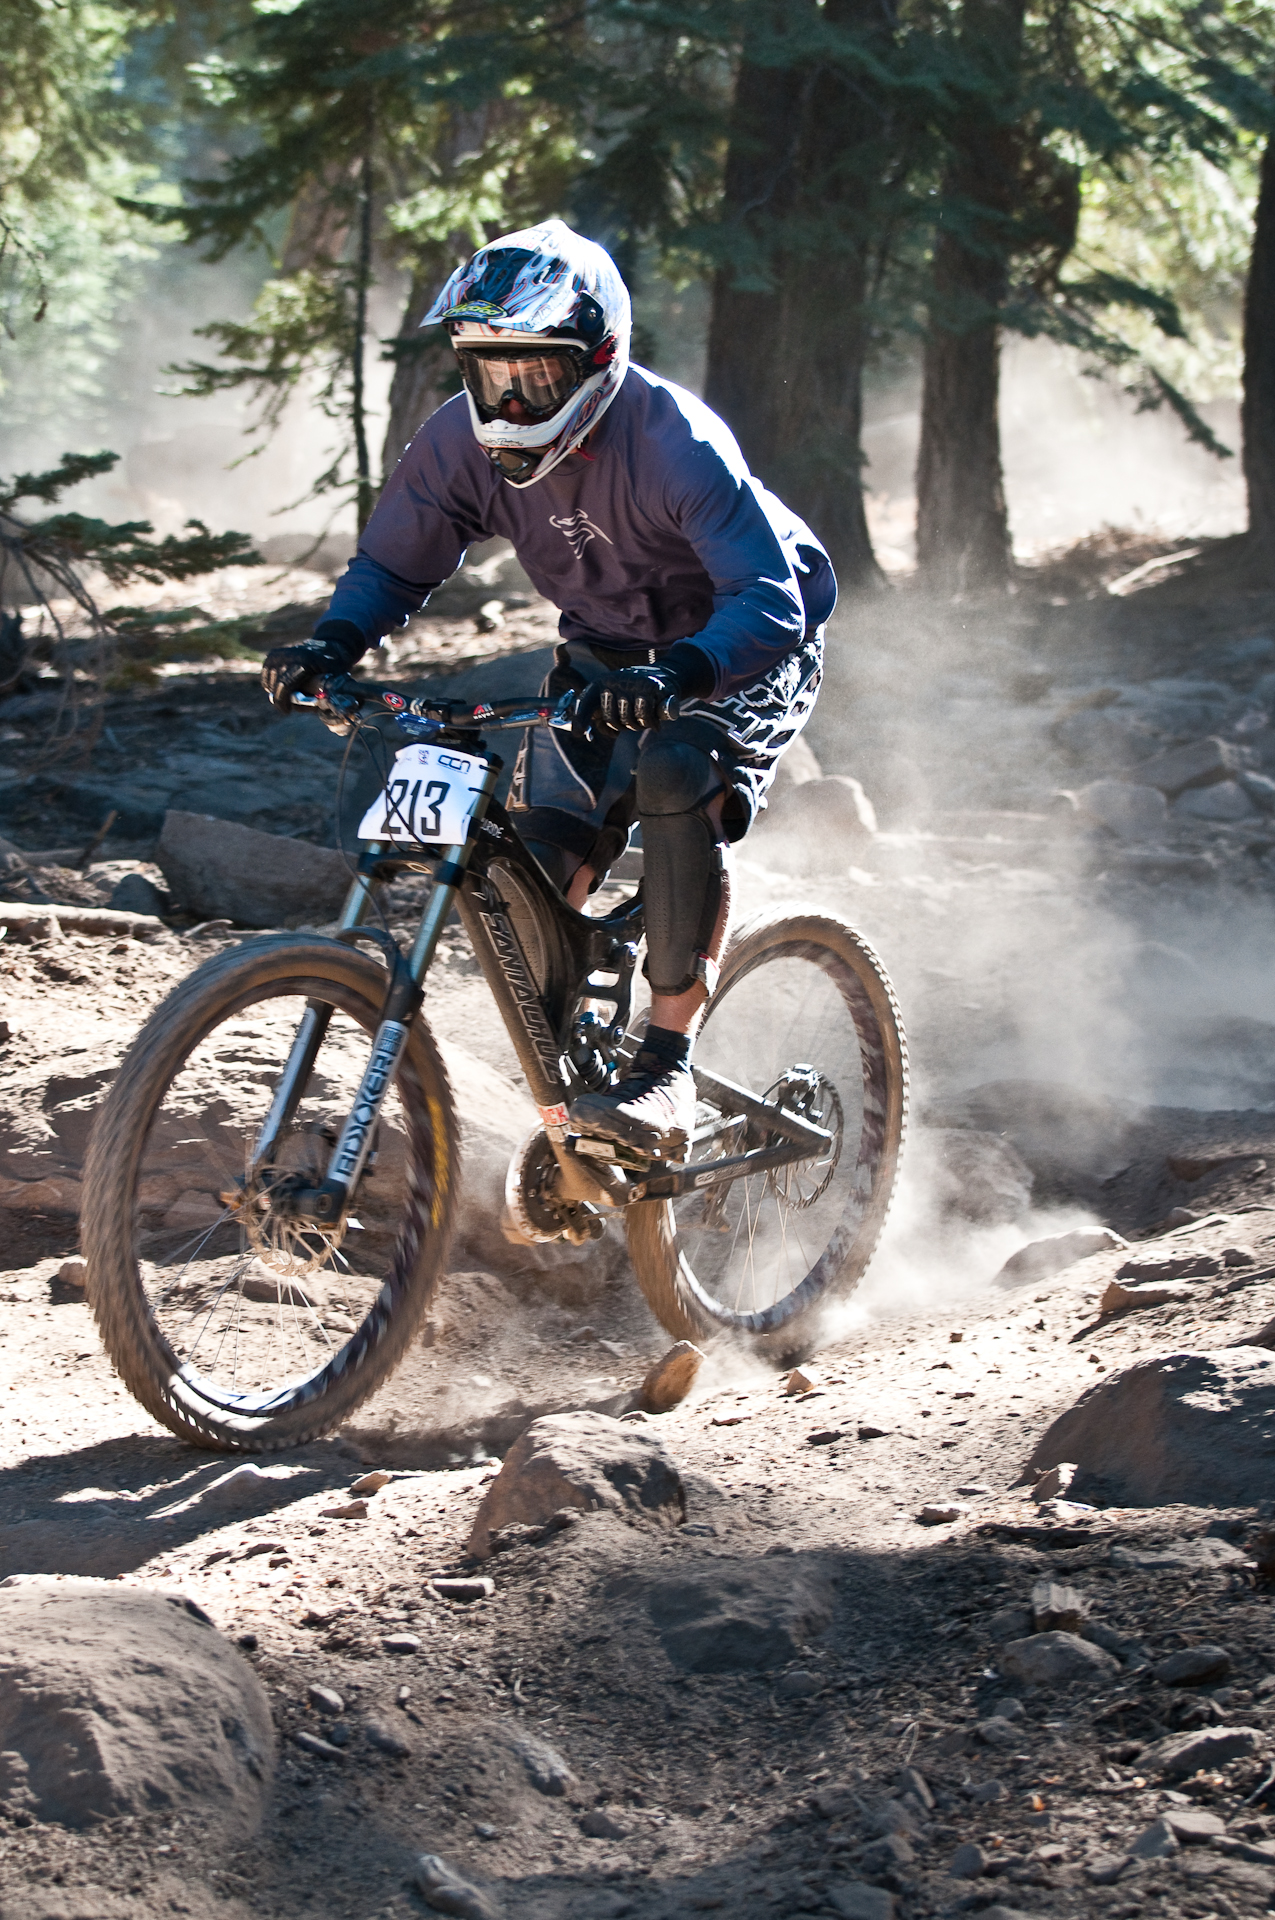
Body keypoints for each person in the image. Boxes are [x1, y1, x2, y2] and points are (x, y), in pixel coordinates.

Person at [262, 218, 835, 1158]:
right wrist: (332, 644)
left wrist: (681, 674)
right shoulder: (455, 443)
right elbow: (395, 563)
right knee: (534, 857)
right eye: (490, 371)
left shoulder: (673, 441)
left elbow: (768, 600)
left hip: (736, 646)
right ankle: (572, 1088)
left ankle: (665, 1067)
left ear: (598, 359)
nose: (511, 397)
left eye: (537, 372)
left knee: (675, 770)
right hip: (607, 651)